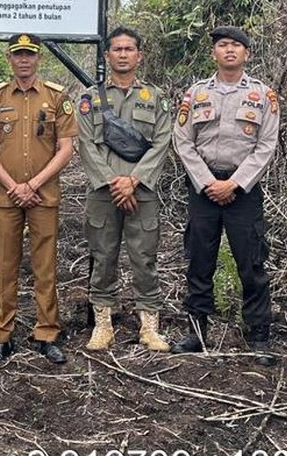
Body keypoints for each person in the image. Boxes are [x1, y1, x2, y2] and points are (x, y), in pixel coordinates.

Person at [171, 26, 279, 365]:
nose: (229, 51)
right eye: (222, 45)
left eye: (236, 46)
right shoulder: (196, 94)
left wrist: (234, 183)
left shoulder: (263, 96)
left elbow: (266, 145)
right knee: (200, 259)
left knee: (251, 261)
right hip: (204, 188)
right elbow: (183, 141)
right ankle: (196, 330)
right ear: (213, 53)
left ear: (246, 53)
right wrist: (206, 182)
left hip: (242, 190)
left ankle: (259, 334)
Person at [0, 33, 76, 364]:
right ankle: (2, 336)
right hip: (8, 198)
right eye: (18, 55)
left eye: (29, 55)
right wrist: (13, 186)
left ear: (38, 59)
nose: (24, 60)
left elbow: (66, 148)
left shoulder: (56, 96)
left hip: (43, 196)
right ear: (9, 58)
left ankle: (46, 333)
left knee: (44, 267)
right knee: (6, 266)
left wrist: (32, 184)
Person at [75, 26, 173, 353]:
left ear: (139, 55)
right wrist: (112, 182)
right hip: (104, 193)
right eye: (116, 49)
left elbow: (162, 142)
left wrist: (134, 180)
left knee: (144, 258)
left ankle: (149, 327)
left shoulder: (155, 98)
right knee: (103, 258)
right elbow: (86, 144)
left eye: (129, 49)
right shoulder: (90, 98)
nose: (122, 54)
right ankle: (103, 325)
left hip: (141, 193)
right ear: (107, 56)